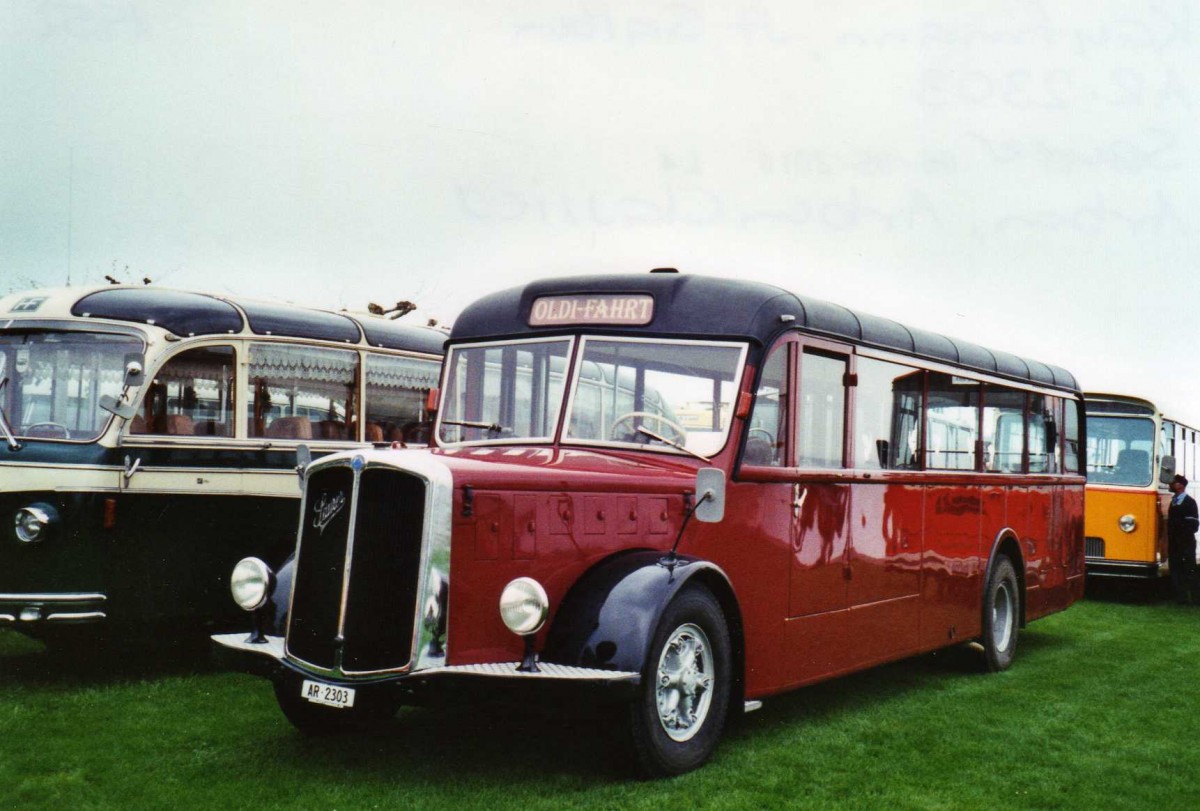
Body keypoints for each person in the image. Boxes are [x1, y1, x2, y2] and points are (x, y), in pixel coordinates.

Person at [1167, 474, 1199, 604]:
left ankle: (1195, 598)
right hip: (1175, 542)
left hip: (1185, 543)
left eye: (1173, 483)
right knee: (1176, 569)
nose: (1170, 485)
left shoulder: (1189, 502)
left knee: (1188, 570)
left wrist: (1181, 536)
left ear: (1180, 485)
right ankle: (1181, 597)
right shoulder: (1174, 502)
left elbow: (1193, 525)